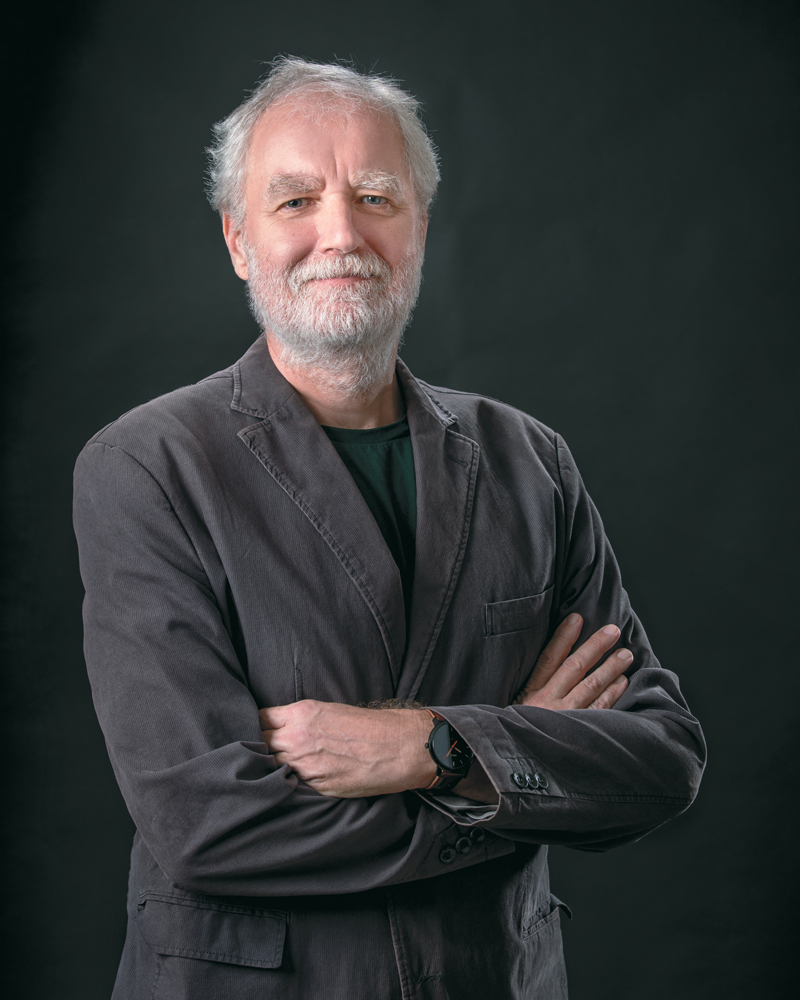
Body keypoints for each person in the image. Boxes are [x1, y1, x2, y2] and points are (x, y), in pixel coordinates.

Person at [73, 57, 705, 1000]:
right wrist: (505, 766)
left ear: (419, 228)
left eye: (375, 197)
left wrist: (427, 747)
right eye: (296, 202)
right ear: (239, 239)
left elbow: (660, 762)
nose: (341, 233)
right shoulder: (145, 468)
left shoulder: (531, 460)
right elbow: (209, 828)